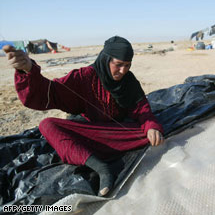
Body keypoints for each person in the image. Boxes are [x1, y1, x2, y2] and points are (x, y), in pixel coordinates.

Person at [3, 36, 164, 197]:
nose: (123, 71)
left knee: (147, 131)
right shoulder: (84, 76)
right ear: (106, 59)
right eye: (118, 64)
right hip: (90, 135)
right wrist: (29, 69)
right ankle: (101, 168)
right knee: (47, 125)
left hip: (116, 133)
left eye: (127, 65)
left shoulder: (129, 81)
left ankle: (87, 152)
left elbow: (142, 109)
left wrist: (151, 127)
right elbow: (50, 92)